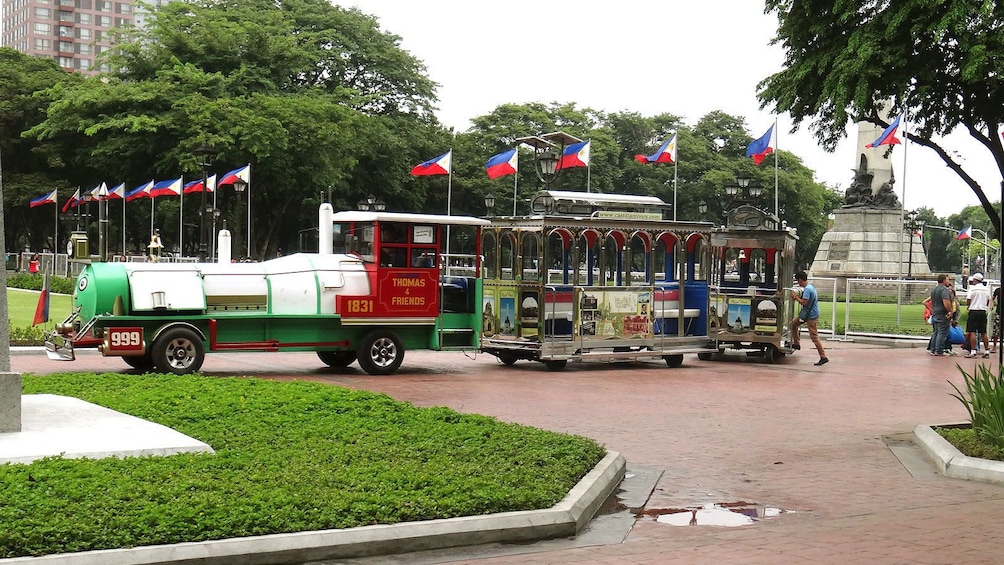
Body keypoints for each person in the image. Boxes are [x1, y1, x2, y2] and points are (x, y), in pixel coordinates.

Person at [789, 271, 828, 366]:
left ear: (801, 280)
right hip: (808, 314)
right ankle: (796, 343)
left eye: (798, 281)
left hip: (810, 315)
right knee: (793, 324)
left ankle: (823, 357)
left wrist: (795, 297)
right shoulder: (810, 287)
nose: (798, 283)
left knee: (814, 337)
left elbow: (804, 302)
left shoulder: (807, 290)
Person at [965, 273, 993, 358]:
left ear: (975, 280)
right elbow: (989, 300)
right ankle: (987, 350)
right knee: (983, 332)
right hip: (982, 311)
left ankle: (973, 351)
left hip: (974, 311)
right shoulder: (986, 289)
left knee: (972, 331)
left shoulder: (973, 289)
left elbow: (968, 299)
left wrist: (969, 306)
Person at [927, 274, 954, 357]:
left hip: (935, 313)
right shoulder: (944, 290)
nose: (948, 281)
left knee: (936, 332)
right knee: (942, 333)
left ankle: (933, 349)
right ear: (944, 280)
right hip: (942, 314)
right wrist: (950, 311)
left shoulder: (934, 290)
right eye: (947, 279)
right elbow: (946, 301)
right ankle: (939, 350)